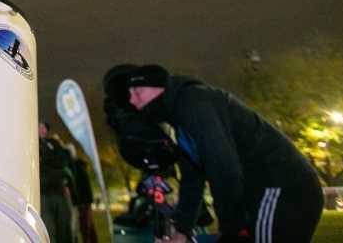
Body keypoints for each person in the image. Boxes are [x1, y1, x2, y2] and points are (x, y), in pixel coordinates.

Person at [104, 64, 323, 243]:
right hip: (264, 194)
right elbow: (193, 178)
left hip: (281, 187)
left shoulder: (195, 103)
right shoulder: (179, 121)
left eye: (137, 92)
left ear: (158, 88)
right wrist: (182, 231)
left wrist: (231, 230)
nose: (132, 100)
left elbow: (225, 170)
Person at [38, 122, 75, 243]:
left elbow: (65, 159)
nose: (42, 129)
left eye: (44, 127)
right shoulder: (32, 144)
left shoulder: (54, 143)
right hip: (44, 193)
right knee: (49, 229)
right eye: (39, 126)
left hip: (59, 191)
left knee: (64, 228)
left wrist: (47, 159)